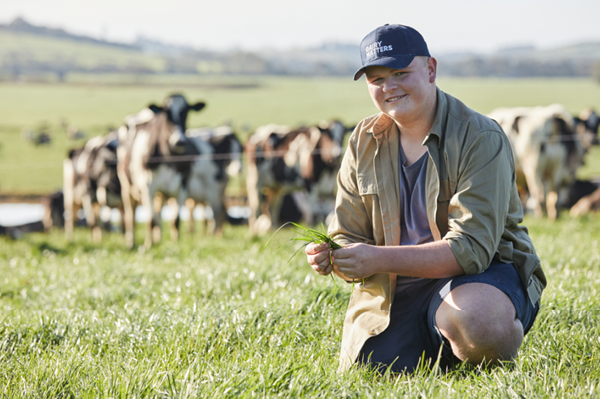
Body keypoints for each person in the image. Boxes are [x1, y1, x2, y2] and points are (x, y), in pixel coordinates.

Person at [304, 23, 546, 373]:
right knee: (369, 371)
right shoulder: (362, 140)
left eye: (401, 72)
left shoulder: (480, 137)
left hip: (484, 274)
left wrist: (374, 258)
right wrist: (332, 256)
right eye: (376, 79)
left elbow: (471, 250)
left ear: (431, 69)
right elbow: (346, 233)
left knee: (480, 323)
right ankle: (447, 350)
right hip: (395, 287)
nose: (389, 87)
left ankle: (480, 346)